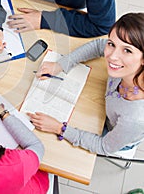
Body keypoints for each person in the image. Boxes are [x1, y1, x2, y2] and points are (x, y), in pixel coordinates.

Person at [28, 13, 144, 156]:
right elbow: (97, 46)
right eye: (111, 44)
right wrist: (61, 65)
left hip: (113, 132)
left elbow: (103, 147)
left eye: (127, 50)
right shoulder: (124, 66)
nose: (112, 56)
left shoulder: (135, 119)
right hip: (104, 107)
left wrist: (59, 128)